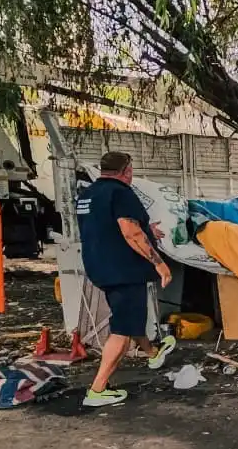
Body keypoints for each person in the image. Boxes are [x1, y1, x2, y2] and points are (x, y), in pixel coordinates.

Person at [76, 151, 177, 407]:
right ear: (127, 170)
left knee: (130, 316)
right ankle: (97, 390)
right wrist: (161, 265)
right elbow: (131, 233)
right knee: (122, 329)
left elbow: (106, 226)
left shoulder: (88, 194)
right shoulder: (121, 192)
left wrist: (148, 231)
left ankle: (153, 353)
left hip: (99, 267)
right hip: (124, 270)